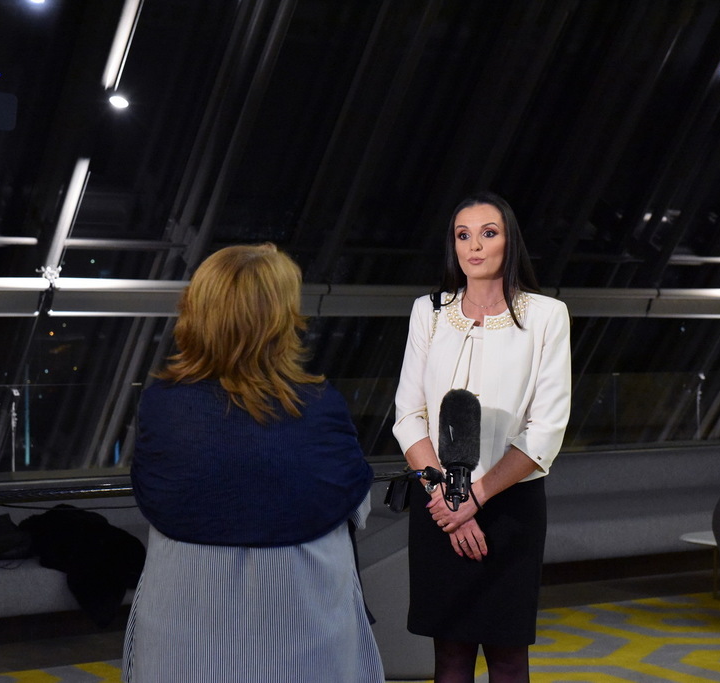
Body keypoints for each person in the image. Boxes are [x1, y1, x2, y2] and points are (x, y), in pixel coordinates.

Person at [122, 243, 384, 683]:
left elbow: (156, 496)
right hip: (304, 633)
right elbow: (353, 506)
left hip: (181, 637)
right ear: (280, 319)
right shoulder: (320, 406)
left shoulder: (162, 407)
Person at [393, 191, 571, 682]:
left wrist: (474, 497)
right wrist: (447, 501)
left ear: (509, 242)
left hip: (510, 506)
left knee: (508, 658)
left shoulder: (546, 315)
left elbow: (546, 429)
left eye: (488, 233)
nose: (474, 246)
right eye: (463, 235)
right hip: (437, 505)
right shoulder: (428, 311)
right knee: (449, 656)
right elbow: (408, 416)